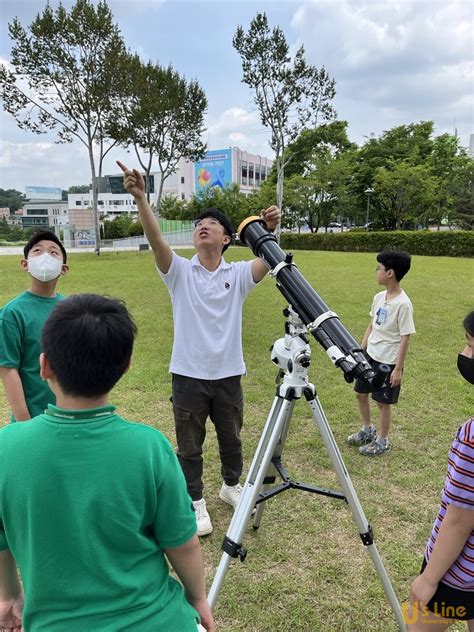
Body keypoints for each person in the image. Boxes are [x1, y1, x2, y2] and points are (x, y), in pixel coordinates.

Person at [0, 294, 214, 632]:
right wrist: (198, 598)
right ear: (126, 365)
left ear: (44, 366)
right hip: (160, 621)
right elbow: (182, 541)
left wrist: (9, 595)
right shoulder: (150, 447)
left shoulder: (6, 448)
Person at [117, 160, 280, 536]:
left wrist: (271, 229)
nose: (201, 226)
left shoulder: (237, 274)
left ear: (226, 238)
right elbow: (157, 239)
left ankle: (230, 486)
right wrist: (141, 198)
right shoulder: (179, 272)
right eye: (197, 225)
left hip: (228, 374)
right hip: (188, 375)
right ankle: (196, 502)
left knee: (232, 438)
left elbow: (269, 261)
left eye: (211, 223)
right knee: (189, 447)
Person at [405, 310, 474, 631]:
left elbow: (460, 520)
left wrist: (429, 578)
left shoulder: (472, 437)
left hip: (457, 575)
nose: (465, 354)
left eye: (471, 345)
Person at [347, 250, 415, 456]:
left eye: (379, 268)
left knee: (382, 402)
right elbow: (372, 325)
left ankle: (383, 440)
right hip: (371, 355)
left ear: (390, 273)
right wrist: (362, 349)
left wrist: (398, 369)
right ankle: (368, 429)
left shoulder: (403, 304)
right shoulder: (379, 297)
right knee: (360, 393)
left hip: (388, 361)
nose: (376, 271)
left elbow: (405, 337)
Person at [0, 229, 69, 422]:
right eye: (37, 251)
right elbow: (7, 369)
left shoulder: (70, 309)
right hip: (33, 418)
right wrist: (24, 421)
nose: (45, 256)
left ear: (64, 268)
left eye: (53, 252)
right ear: (25, 264)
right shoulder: (12, 313)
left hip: (70, 415)